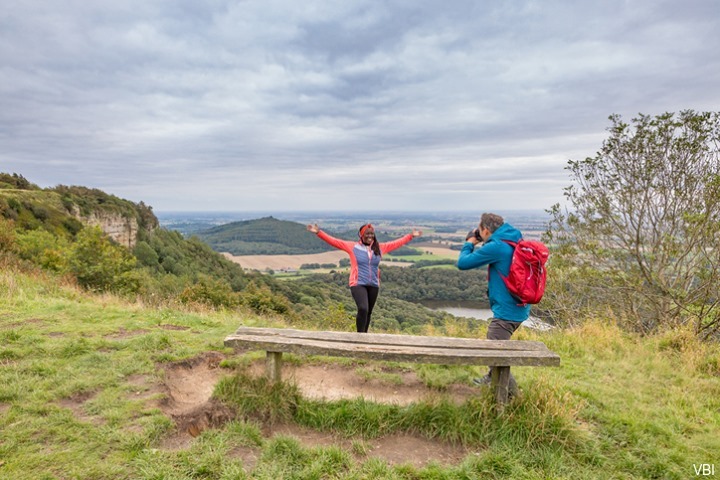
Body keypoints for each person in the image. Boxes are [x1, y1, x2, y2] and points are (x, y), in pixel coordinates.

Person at [456, 212, 529, 395]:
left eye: (481, 230)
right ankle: (491, 377)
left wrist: (470, 243)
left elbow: (463, 263)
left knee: (494, 351)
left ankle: (513, 397)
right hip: (519, 305)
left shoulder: (497, 247)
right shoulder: (513, 238)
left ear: (486, 230)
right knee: (497, 347)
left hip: (508, 311)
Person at [307, 223, 422, 333]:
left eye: (371, 234)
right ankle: (360, 336)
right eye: (367, 234)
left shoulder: (379, 248)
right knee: (363, 308)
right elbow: (334, 241)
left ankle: (364, 336)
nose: (370, 236)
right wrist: (319, 232)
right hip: (357, 283)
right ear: (361, 235)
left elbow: (397, 243)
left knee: (369, 313)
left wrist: (410, 236)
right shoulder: (353, 247)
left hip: (373, 284)